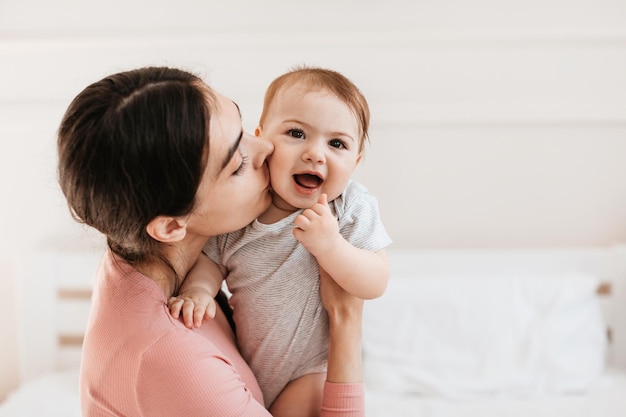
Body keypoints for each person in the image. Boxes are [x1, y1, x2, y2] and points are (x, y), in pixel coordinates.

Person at [57, 66, 367, 417]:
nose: (266, 147)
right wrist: (346, 318)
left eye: (242, 126)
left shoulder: (130, 256)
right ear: (172, 225)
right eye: (237, 164)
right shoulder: (177, 362)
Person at [169, 66, 392, 416]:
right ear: (262, 138)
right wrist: (198, 290)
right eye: (296, 133)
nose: (315, 154)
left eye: (337, 144)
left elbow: (376, 279)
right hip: (246, 368)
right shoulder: (242, 211)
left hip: (311, 370)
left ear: (355, 161)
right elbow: (210, 260)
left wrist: (332, 247)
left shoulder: (348, 207)